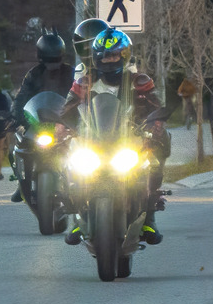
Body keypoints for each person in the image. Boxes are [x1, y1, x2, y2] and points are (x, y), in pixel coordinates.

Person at [59, 27, 171, 246]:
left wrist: (156, 125)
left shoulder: (140, 81)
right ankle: (76, 216)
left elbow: (156, 106)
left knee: (153, 161)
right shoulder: (84, 82)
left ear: (124, 55)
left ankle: (149, 218)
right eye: (105, 56)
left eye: (114, 55)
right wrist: (61, 128)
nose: (110, 60)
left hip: (129, 138)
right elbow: (68, 109)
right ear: (97, 57)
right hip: (93, 138)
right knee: (69, 163)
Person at [8, 32, 75, 200]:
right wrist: (16, 116)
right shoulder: (34, 74)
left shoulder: (72, 73)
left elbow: (80, 96)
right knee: (20, 146)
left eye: (56, 59)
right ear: (41, 57)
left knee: (82, 149)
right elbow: (22, 96)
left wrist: (79, 117)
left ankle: (78, 183)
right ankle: (22, 182)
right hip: (38, 122)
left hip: (64, 122)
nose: (53, 64)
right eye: (48, 60)